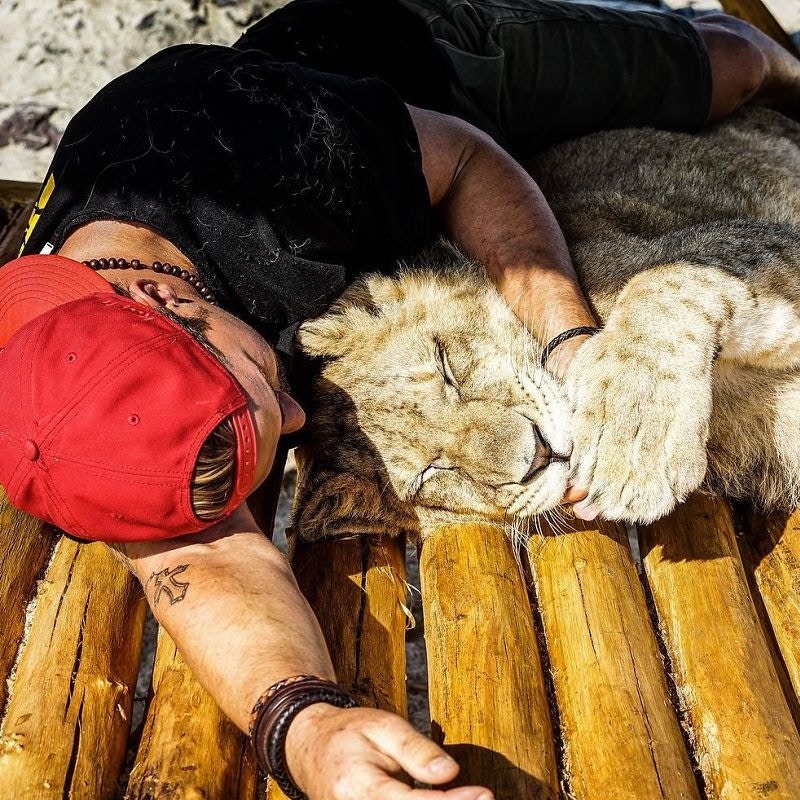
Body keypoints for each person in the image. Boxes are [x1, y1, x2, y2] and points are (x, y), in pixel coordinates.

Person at [1, 1, 799, 797]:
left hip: (427, 82)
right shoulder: (75, 394)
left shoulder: (286, 160)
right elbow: (192, 559)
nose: (300, 418)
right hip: (352, 181)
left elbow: (472, 164)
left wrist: (569, 341)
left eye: (266, 394)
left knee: (727, 67)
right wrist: (306, 727)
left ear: (165, 297)